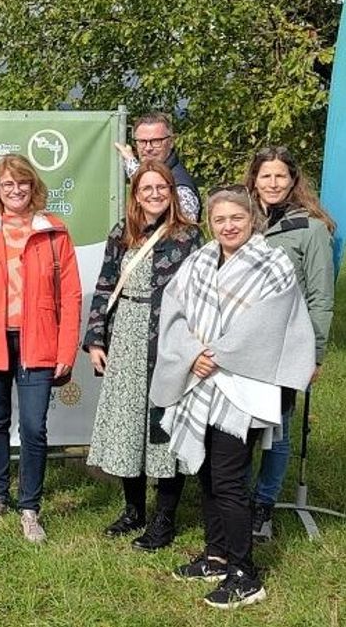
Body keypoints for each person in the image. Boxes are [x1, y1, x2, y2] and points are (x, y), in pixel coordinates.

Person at [152, 186, 315, 609]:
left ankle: (246, 574)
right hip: (200, 380)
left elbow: (269, 324)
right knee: (206, 473)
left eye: (236, 219)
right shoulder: (201, 258)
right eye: (220, 219)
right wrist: (192, 355)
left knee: (229, 480)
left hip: (243, 385)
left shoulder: (273, 263)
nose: (228, 226)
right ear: (211, 223)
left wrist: (214, 355)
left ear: (251, 220)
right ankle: (217, 555)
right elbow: (175, 309)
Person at [0, 154, 81, 542]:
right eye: (7, 184)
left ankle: (29, 506)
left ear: (33, 186)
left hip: (37, 341)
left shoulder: (55, 232)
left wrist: (66, 351)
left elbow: (71, 297)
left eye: (22, 183)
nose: (15, 190)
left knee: (34, 428)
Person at [83, 161, 202, 550]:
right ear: (135, 194)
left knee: (163, 429)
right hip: (126, 338)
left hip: (168, 342)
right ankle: (134, 510)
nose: (154, 194)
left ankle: (164, 519)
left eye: (161, 187)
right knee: (127, 426)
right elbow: (105, 286)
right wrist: (96, 339)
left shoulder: (188, 237)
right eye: (146, 188)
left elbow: (202, 300)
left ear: (172, 192)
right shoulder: (122, 233)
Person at [244, 146, 335, 541]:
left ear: (294, 180)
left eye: (280, 175)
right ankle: (238, 500)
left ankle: (264, 504)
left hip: (285, 347)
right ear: (254, 180)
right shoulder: (242, 221)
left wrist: (314, 352)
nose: (273, 183)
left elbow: (321, 296)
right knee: (241, 427)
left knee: (276, 428)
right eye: (266, 176)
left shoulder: (311, 228)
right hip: (242, 346)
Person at [115, 112, 201, 221]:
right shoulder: (150, 172)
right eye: (142, 141)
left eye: (156, 141)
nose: (148, 148)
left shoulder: (182, 188)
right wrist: (130, 161)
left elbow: (184, 228)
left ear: (171, 142)